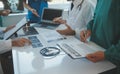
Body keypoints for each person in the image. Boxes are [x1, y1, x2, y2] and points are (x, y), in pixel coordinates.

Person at [80, 0, 120, 74]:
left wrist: (107, 54)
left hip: (112, 61)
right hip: (96, 55)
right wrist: (89, 29)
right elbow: (96, 17)